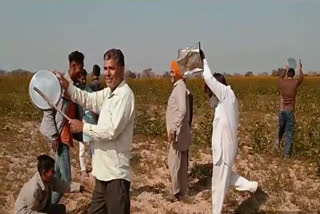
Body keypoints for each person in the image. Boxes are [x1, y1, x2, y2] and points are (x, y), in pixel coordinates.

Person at [55, 49, 135, 214]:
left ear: (121, 69)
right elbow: (88, 99)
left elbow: (111, 131)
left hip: (116, 176)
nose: (107, 73)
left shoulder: (125, 96)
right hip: (101, 174)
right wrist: (67, 85)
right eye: (105, 68)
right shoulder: (108, 93)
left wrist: (84, 127)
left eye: (111, 68)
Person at [201, 50, 258, 214]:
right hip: (227, 147)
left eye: (210, 91)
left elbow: (209, 79)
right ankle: (252, 186)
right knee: (226, 177)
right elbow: (213, 101)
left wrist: (203, 60)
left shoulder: (226, 94)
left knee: (218, 186)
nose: (209, 94)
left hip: (224, 148)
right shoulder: (227, 99)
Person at [39, 50, 85, 204]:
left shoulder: (74, 87)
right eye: (80, 67)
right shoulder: (58, 85)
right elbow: (48, 110)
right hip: (60, 137)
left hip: (67, 136)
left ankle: (46, 204)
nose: (82, 70)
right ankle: (49, 206)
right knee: (66, 178)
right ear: (73, 65)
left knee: (57, 176)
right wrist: (53, 135)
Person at [14, 155, 82, 214]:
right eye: (52, 171)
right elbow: (33, 210)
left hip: (41, 208)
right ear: (44, 172)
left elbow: (62, 185)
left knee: (61, 208)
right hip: (27, 212)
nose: (54, 173)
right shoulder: (33, 189)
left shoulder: (48, 179)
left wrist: (79, 187)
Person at [166, 60, 192, 201]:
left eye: (172, 71)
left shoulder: (180, 87)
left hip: (177, 133)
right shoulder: (180, 87)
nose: (170, 74)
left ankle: (176, 192)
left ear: (177, 73)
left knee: (174, 161)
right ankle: (182, 191)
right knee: (181, 162)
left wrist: (174, 128)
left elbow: (182, 110)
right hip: (179, 132)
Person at [277, 60, 304, 158]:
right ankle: (286, 155)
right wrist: (300, 68)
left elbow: (280, 77)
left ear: (287, 74)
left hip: (282, 110)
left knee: (281, 129)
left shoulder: (282, 83)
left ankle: (278, 144)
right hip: (290, 111)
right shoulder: (295, 83)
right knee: (289, 133)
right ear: (293, 75)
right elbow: (301, 78)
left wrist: (285, 68)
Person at [78, 69, 97, 177]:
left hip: (91, 122)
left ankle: (95, 168)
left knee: (93, 147)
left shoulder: (89, 90)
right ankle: (83, 169)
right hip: (81, 122)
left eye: (84, 78)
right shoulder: (75, 92)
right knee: (82, 148)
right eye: (81, 78)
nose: (83, 80)